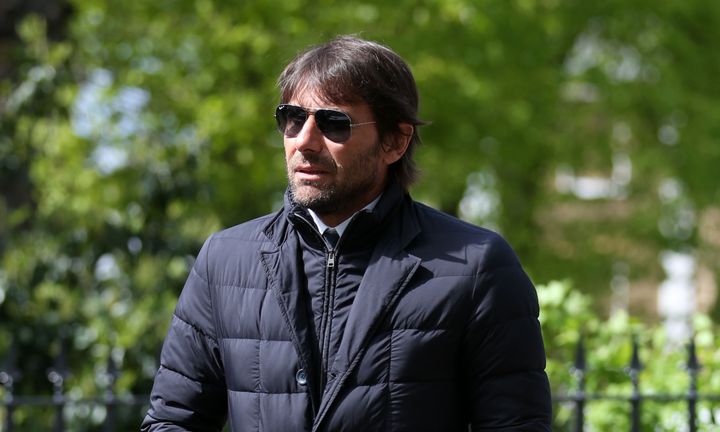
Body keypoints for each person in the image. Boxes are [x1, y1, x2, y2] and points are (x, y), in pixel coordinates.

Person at [141, 35, 552, 431]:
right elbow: (173, 421)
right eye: (292, 118)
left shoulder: (476, 265)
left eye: (333, 123)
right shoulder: (225, 260)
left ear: (395, 141)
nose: (304, 141)